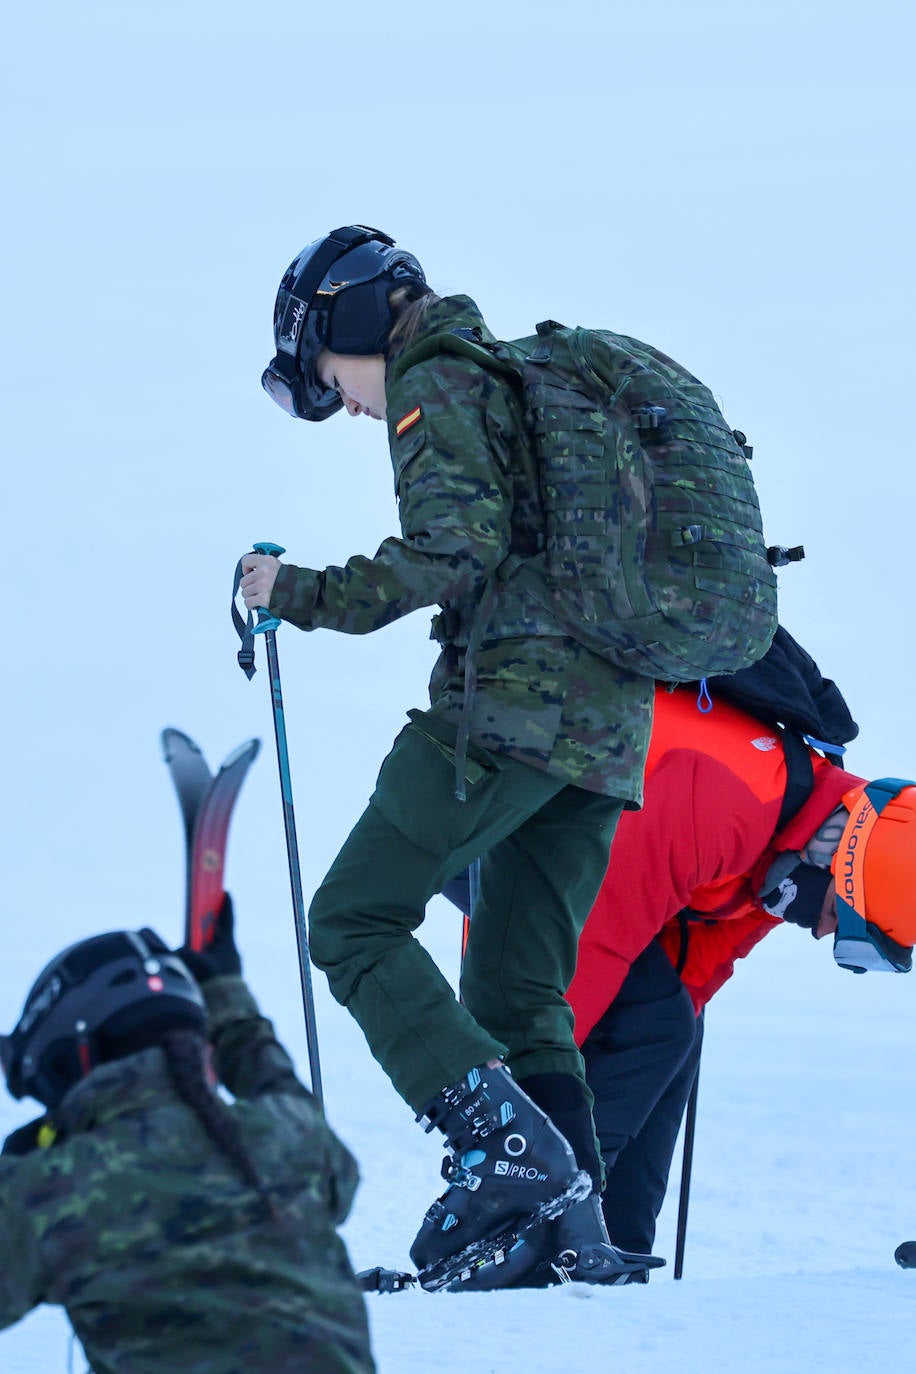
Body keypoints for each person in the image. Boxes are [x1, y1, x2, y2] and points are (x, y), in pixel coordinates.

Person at [242, 223, 668, 1288]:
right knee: (520, 990)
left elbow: (453, 549)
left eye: (326, 371)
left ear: (348, 319)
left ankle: (506, 1158)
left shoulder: (438, 379)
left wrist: (295, 595)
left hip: (508, 714)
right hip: (609, 726)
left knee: (350, 918)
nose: (340, 398)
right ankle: (568, 1237)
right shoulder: (514, 379)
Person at [445, 668, 916, 1288]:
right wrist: (509, 1100)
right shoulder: (725, 803)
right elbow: (571, 960)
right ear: (839, 858)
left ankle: (611, 1246)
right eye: (837, 917)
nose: (824, 933)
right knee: (646, 1028)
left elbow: (694, 969)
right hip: (493, 819)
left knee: (673, 1032)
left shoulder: (787, 849)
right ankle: (531, 1225)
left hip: (587, 864)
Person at [0, 897, 376, 1373]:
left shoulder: (55, 1190)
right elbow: (281, 1090)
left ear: (76, 1059)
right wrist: (227, 996)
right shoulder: (289, 1140)